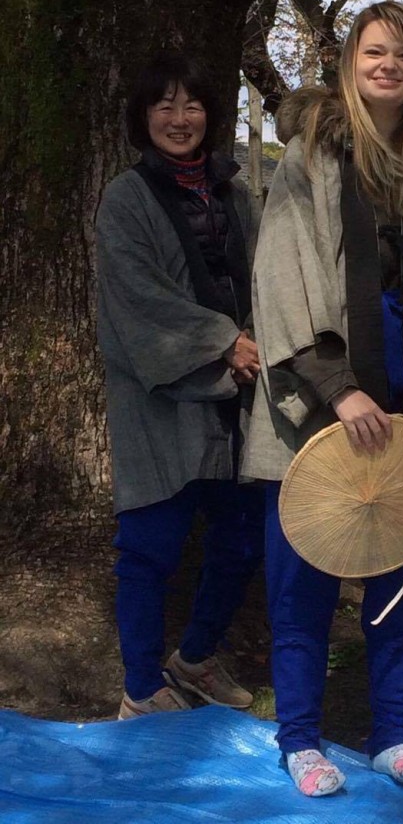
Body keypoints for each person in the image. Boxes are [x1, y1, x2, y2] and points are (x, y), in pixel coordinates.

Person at [242, 1, 403, 797]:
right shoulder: (310, 159)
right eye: (372, 52)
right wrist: (337, 389)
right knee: (302, 585)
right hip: (312, 411)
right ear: (350, 66)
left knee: (398, 587)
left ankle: (392, 735)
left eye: (402, 55)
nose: (387, 65)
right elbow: (284, 275)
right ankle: (301, 741)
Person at [96, 52, 264, 719]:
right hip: (160, 398)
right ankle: (140, 688)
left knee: (244, 537)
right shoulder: (125, 197)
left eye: (191, 104)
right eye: (162, 104)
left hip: (240, 396)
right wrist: (223, 340)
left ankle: (194, 659)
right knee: (151, 547)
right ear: (141, 117)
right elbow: (136, 294)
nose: (178, 117)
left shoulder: (237, 192)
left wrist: (252, 343)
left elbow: (264, 275)